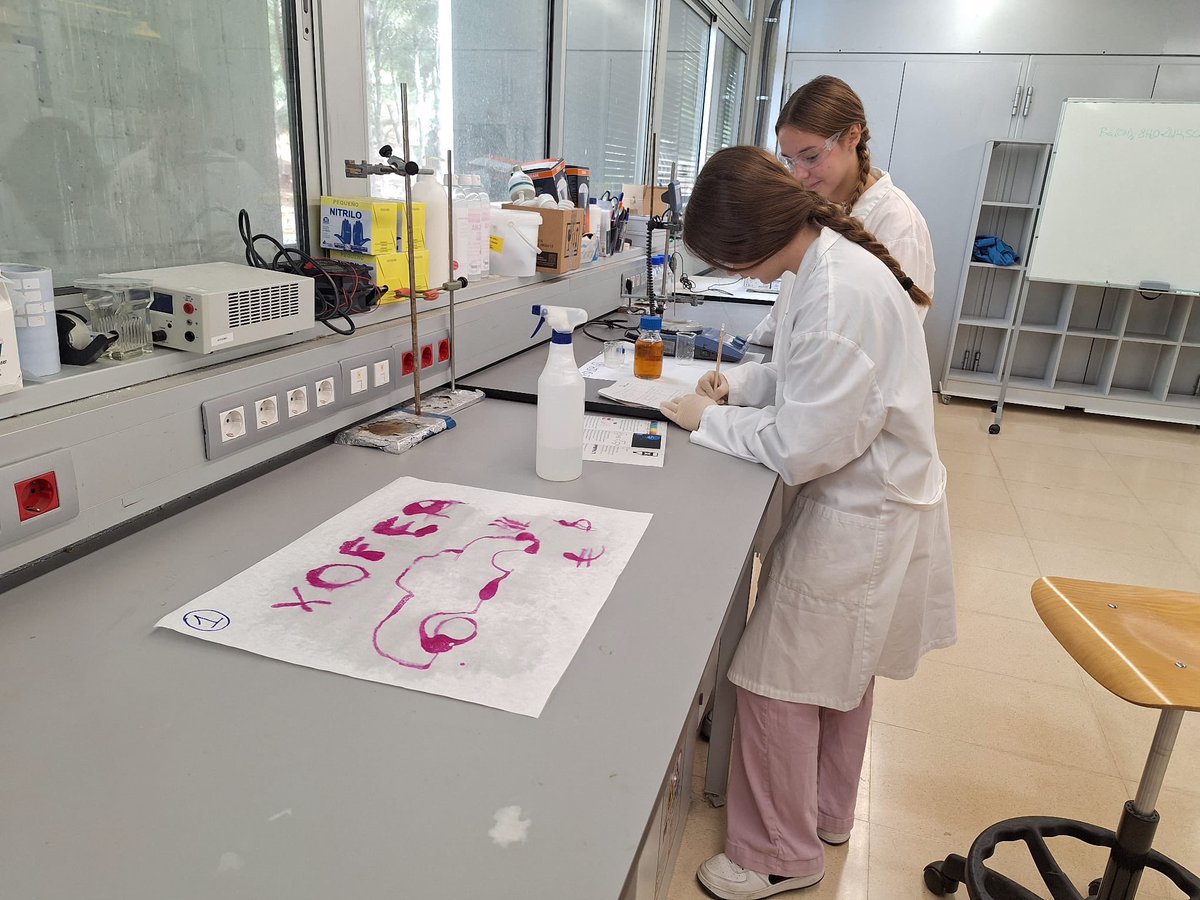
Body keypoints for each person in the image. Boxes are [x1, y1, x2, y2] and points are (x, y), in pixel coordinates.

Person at [660, 146, 954, 899]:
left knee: (774, 681)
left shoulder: (835, 291)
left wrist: (707, 422)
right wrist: (745, 385)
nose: (735, 281)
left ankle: (777, 856)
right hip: (874, 499)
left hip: (861, 512)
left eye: (728, 266)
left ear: (747, 245)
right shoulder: (826, 263)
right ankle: (823, 812)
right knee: (841, 674)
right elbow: (802, 378)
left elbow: (801, 447)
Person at [748, 75, 935, 346]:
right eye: (789, 161)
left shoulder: (897, 223)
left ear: (852, 136)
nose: (799, 174)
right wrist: (745, 355)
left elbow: (888, 340)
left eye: (811, 157)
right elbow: (786, 311)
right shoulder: (816, 209)